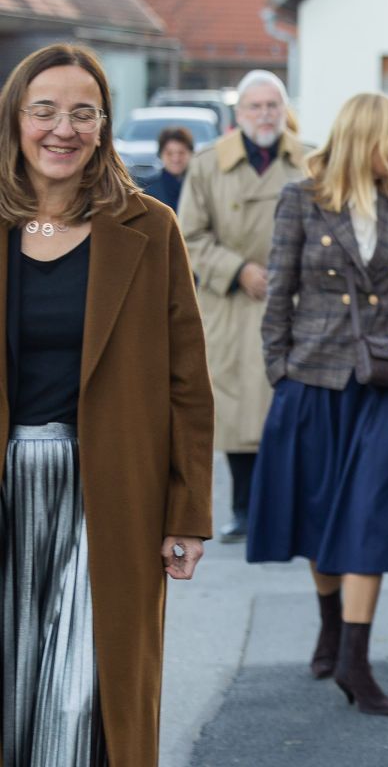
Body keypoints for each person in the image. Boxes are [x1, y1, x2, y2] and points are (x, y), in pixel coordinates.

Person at [0, 42, 214, 765]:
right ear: (15, 120)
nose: (63, 129)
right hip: (7, 480)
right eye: (44, 111)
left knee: (82, 694)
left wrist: (187, 512)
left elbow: (188, 383)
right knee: (10, 686)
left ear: (104, 126)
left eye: (82, 113)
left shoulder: (149, 228)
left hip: (113, 489)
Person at [248, 91, 388, 717]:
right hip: (315, 380)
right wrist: (280, 369)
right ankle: (331, 623)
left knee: (370, 516)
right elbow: (279, 291)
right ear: (369, 138)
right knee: (322, 517)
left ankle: (356, 658)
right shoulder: (300, 198)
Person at [179, 69, 306, 543]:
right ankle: (244, 509)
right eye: (255, 106)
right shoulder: (208, 164)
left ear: (284, 110)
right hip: (232, 304)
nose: (265, 115)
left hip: (296, 303)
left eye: (273, 106)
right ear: (240, 113)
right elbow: (189, 235)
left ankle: (290, 510)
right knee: (236, 410)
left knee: (291, 408)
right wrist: (238, 270)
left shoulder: (310, 161)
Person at [142, 125, 193, 212]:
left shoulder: (201, 186)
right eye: (169, 153)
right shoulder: (148, 190)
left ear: (191, 153)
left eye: (181, 153)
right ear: (160, 154)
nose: (176, 159)